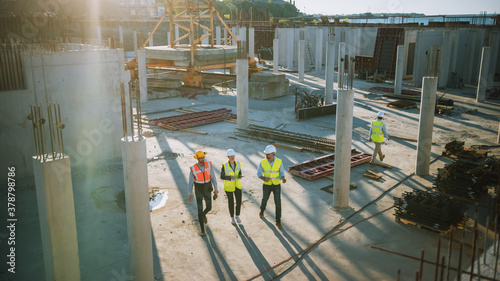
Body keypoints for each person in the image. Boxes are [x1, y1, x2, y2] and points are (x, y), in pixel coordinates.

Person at [187, 150, 219, 236]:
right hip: (198, 189)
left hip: (208, 187)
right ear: (197, 159)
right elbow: (190, 182)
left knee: (209, 207)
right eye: (201, 158)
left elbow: (213, 177)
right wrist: (190, 193)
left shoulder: (209, 164)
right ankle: (202, 230)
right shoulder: (193, 168)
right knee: (199, 209)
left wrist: (216, 188)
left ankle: (203, 215)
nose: (202, 159)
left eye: (203, 157)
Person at [257, 144, 287, 230]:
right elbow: (258, 173)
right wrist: (263, 178)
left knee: (278, 203)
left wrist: (283, 178)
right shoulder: (262, 162)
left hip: (276, 185)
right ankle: (262, 210)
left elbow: (282, 173)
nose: (266, 156)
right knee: (264, 199)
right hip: (267, 185)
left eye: (268, 154)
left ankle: (278, 221)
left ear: (273, 153)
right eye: (266, 154)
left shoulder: (279, 161)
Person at [220, 149, 243, 224]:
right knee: (231, 202)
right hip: (228, 186)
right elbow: (222, 176)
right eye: (230, 156)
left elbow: (239, 172)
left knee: (239, 201)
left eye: (233, 156)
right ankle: (232, 217)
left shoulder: (238, 164)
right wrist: (229, 177)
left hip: (237, 185)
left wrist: (239, 176)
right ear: (227, 157)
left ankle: (237, 216)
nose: (232, 157)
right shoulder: (224, 165)